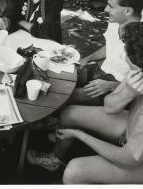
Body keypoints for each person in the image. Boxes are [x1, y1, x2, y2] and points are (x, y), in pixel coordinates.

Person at [27, 22, 143, 184]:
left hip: (135, 160)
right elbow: (110, 107)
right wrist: (128, 92)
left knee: (74, 171)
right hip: (130, 129)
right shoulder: (137, 73)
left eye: (125, 54)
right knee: (69, 113)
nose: (122, 56)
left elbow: (127, 159)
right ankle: (54, 159)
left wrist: (78, 134)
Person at [68, 0, 143, 106]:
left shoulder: (139, 38)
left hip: (117, 87)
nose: (105, 10)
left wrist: (111, 86)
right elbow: (110, 46)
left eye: (111, 6)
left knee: (66, 96)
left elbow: (139, 83)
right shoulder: (115, 21)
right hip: (100, 69)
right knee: (62, 75)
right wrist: (87, 58)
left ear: (127, 11)